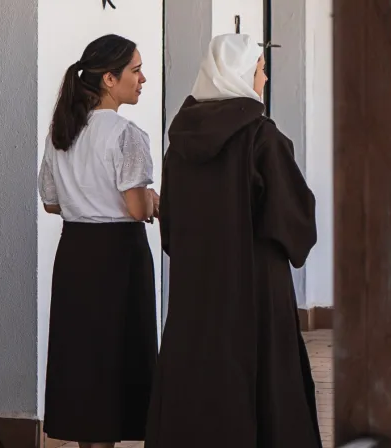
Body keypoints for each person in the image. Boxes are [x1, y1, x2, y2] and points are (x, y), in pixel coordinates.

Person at [145, 34, 321, 448]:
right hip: (256, 285)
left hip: (196, 286)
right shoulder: (262, 138)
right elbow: (292, 218)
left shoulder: (180, 145)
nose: (263, 80)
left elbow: (170, 223)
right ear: (242, 75)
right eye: (260, 70)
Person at [38, 34, 158, 448]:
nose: (143, 78)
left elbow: (52, 203)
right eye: (135, 70)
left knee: (84, 355)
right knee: (118, 353)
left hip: (75, 255)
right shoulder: (126, 134)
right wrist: (152, 199)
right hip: (118, 256)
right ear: (109, 78)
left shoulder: (62, 131)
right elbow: (138, 209)